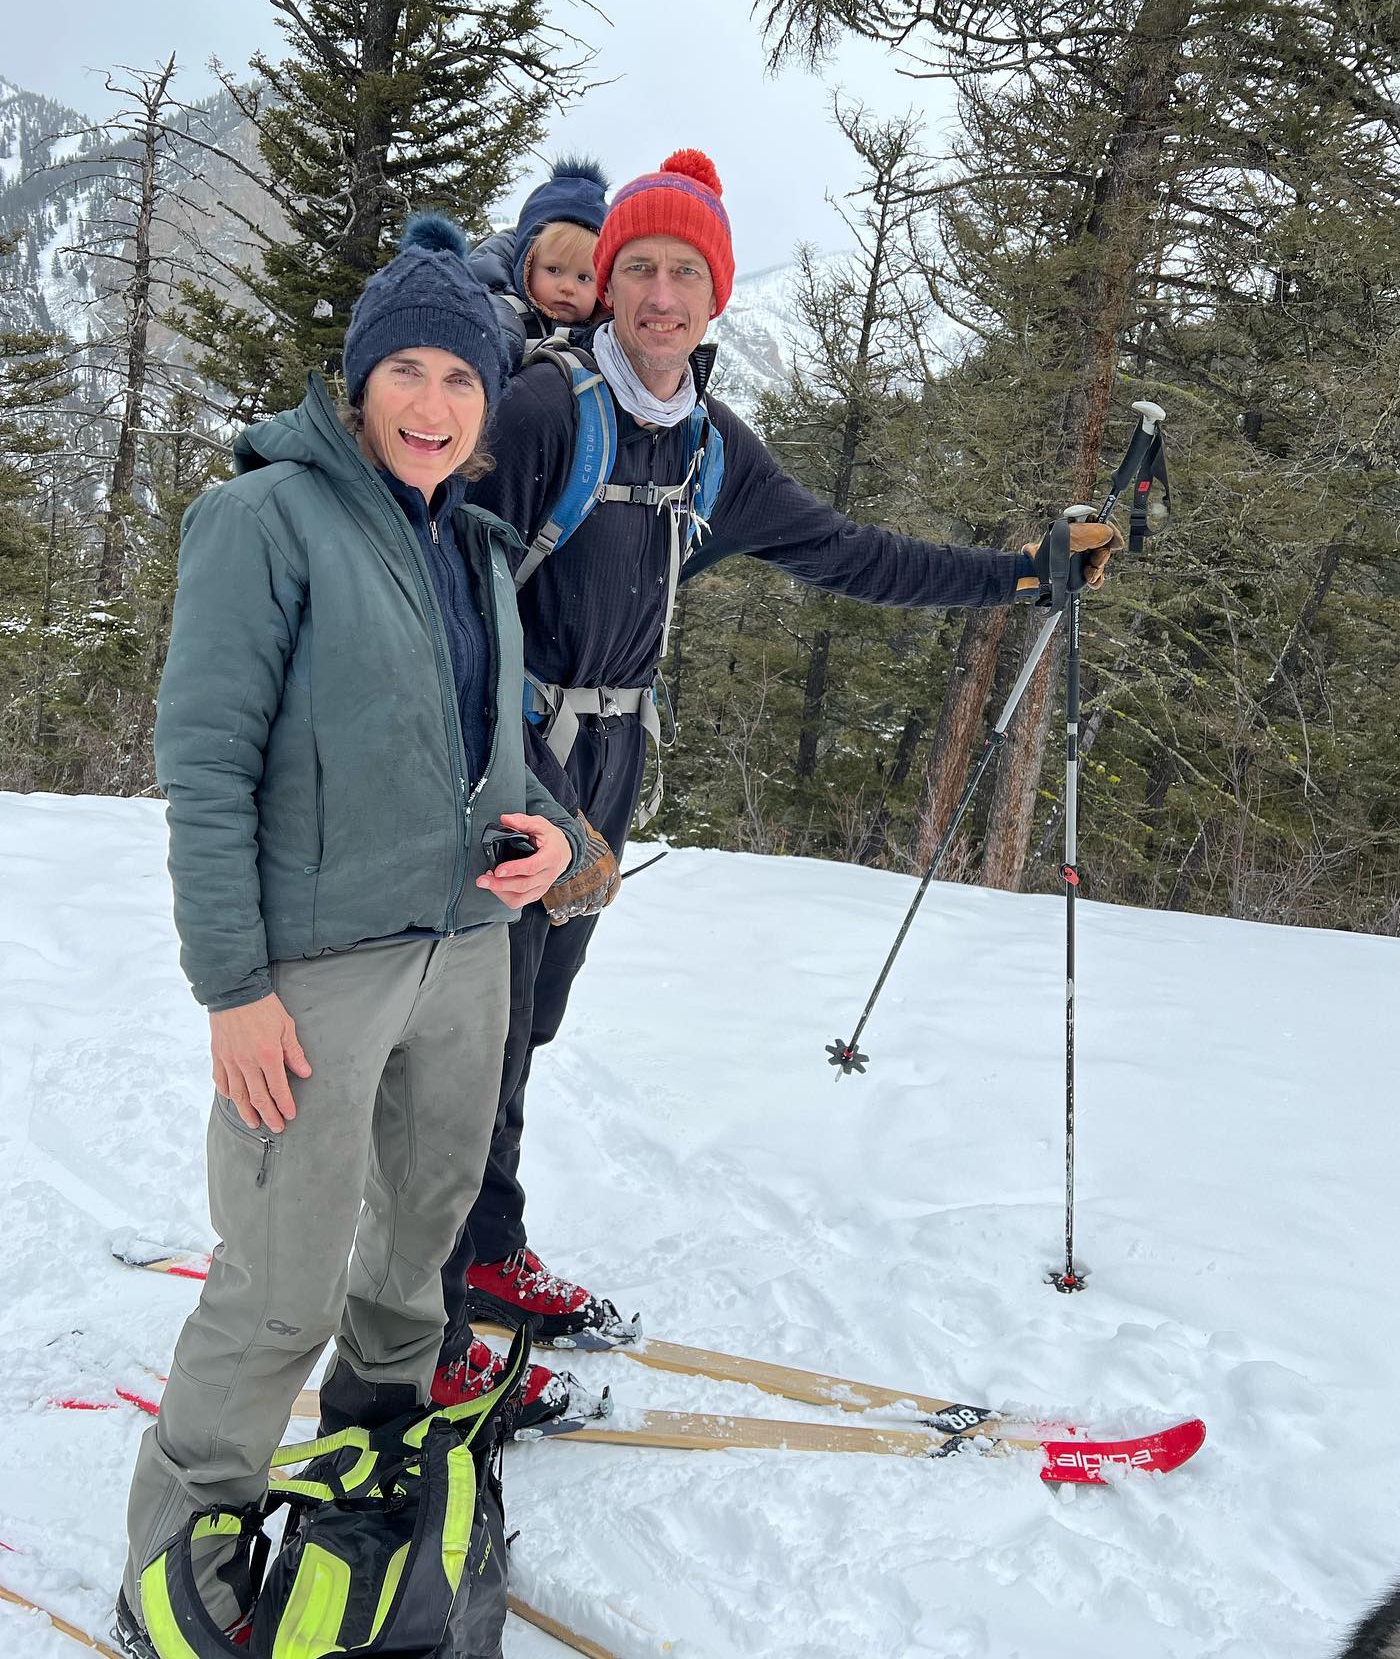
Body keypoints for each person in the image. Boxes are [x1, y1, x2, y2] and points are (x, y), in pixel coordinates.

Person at [435, 149, 1122, 1382]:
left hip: (610, 762)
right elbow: (439, 568)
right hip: (512, 758)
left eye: (682, 274)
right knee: (470, 1025)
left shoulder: (706, 444)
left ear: (716, 297)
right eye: (635, 267)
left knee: (529, 1019)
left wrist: (1023, 574)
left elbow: (850, 552)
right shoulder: (546, 409)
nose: (656, 294)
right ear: (603, 284)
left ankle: (483, 1248)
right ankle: (434, 1300)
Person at [115, 216, 588, 1659]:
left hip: (466, 946)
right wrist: (235, 987)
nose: (435, 404)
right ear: (361, 379)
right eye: (411, 372)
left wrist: (555, 837)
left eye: (464, 377)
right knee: (279, 1280)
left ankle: (376, 1447)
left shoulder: (477, 543)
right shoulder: (265, 519)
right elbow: (205, 765)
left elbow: (489, 740)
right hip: (316, 968)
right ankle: (177, 1552)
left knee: (420, 1246)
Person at [468, 156, 609, 365]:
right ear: (526, 267)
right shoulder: (497, 304)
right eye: (553, 269)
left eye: (584, 277)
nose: (568, 287)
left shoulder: (604, 331)